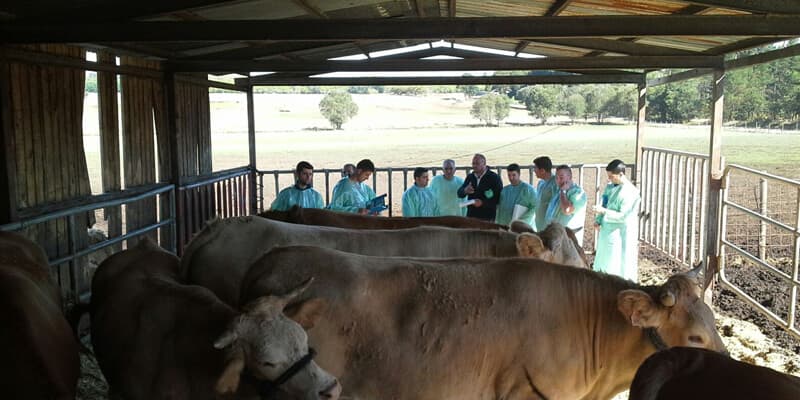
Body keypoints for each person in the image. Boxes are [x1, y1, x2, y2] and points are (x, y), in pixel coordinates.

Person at [593, 159, 641, 282]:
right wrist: (598, 219)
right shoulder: (610, 187)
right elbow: (604, 201)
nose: (609, 179)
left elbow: (624, 216)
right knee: (605, 259)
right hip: (607, 230)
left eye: (611, 176)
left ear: (621, 174)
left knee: (619, 260)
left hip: (620, 232)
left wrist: (603, 212)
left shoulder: (630, 192)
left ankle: (621, 282)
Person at [546, 165, 588, 246]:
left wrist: (563, 192)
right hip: (556, 234)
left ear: (570, 176)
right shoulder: (559, 190)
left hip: (569, 237)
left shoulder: (577, 193)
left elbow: (567, 210)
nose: (558, 180)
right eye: (556, 177)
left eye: (561, 177)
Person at [457, 154, 503, 222]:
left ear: (484, 163)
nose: (474, 166)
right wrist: (465, 190)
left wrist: (482, 203)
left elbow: (498, 198)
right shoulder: (470, 177)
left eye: (477, 163)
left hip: (487, 218)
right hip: (471, 216)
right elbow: (459, 193)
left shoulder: (494, 178)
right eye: (473, 163)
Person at [533, 156, 557, 232]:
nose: (534, 170)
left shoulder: (555, 184)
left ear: (542, 170)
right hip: (539, 225)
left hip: (549, 227)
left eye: (535, 168)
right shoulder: (541, 183)